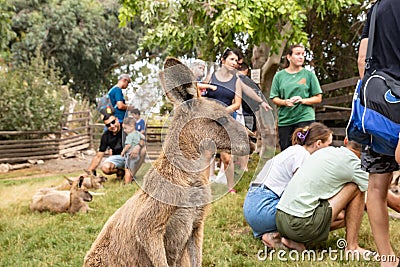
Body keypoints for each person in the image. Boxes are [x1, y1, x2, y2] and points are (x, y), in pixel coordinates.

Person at [243, 122, 332, 249]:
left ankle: (272, 233)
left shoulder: (293, 151)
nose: (330, 149)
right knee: (313, 208)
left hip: (252, 206)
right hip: (264, 208)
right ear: (318, 144)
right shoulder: (303, 155)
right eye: (328, 145)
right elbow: (301, 194)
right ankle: (279, 236)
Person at [358, 1, 400, 266]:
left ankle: (387, 258)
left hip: (380, 108)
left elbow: (363, 60)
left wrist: (375, 102)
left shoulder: (377, 7)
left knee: (376, 186)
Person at [275, 139, 369, 254]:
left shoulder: (326, 152)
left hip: (280, 219)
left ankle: (293, 239)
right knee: (357, 186)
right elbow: (378, 197)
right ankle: (352, 247)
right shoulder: (354, 164)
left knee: (348, 216)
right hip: (300, 224)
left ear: (345, 140)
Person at [270, 44, 323, 151]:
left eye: (303, 54)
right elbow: (274, 98)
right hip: (285, 119)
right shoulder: (279, 76)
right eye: (297, 54)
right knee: (286, 150)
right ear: (289, 57)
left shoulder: (309, 75)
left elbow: (318, 98)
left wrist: (303, 100)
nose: (301, 57)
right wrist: (285, 102)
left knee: (305, 149)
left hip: (304, 117)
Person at [204, 48, 243, 193]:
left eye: (236, 60)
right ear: (223, 60)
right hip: (210, 120)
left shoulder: (236, 81)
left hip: (226, 120)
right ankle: (205, 187)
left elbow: (237, 103)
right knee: (207, 154)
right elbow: (201, 94)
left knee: (226, 157)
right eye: (232, 59)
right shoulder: (211, 76)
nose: (234, 63)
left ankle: (230, 187)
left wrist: (222, 112)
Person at [86, 114, 146, 180]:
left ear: (117, 120)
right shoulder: (106, 136)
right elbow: (98, 156)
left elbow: (141, 138)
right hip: (118, 157)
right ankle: (120, 172)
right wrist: (88, 172)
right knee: (105, 168)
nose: (112, 126)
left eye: (113, 122)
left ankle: (132, 175)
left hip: (131, 155)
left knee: (143, 150)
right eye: (108, 125)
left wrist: (138, 146)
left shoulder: (126, 127)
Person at [120, 116, 145, 184]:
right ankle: (131, 180)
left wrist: (123, 151)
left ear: (132, 126)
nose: (124, 130)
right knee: (132, 168)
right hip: (137, 155)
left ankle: (127, 183)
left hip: (130, 155)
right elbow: (143, 137)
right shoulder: (138, 133)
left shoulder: (130, 136)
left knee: (127, 169)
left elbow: (128, 145)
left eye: (125, 128)